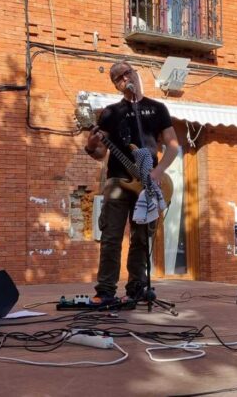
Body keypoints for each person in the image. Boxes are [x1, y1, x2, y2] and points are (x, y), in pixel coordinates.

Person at [84, 61, 180, 304]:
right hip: (118, 182)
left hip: (148, 182)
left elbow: (172, 145)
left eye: (128, 72)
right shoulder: (110, 113)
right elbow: (99, 155)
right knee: (111, 237)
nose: (125, 78)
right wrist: (91, 144)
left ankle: (137, 288)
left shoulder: (157, 109)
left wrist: (158, 172)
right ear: (116, 85)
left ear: (136, 74)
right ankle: (105, 290)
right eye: (118, 77)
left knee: (141, 238)